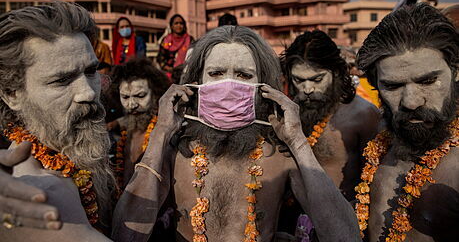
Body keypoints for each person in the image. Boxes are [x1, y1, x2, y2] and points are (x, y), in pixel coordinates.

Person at [113, 25, 360, 241]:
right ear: (195, 80)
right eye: (216, 73)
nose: (228, 86)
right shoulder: (174, 150)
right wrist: (161, 133)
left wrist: (297, 142)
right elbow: (126, 235)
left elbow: (344, 236)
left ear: (264, 86)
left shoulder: (280, 155)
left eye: (243, 75)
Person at [0, 0, 113, 241]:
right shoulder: (35, 192)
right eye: (61, 81)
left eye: (91, 71)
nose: (89, 93)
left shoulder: (78, 149)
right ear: (12, 95)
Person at [355, 3, 459, 241]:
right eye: (393, 86)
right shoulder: (380, 146)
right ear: (376, 87)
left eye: (428, 81)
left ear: (455, 71)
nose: (411, 102)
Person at [282, 30, 380, 201]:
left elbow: (375, 182)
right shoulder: (287, 113)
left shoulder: (363, 115)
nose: (307, 89)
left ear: (336, 72)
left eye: (317, 79)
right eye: (299, 80)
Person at [108, 58, 170, 189]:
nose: (131, 105)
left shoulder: (167, 133)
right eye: (125, 97)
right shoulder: (123, 135)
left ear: (156, 94)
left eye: (140, 96)